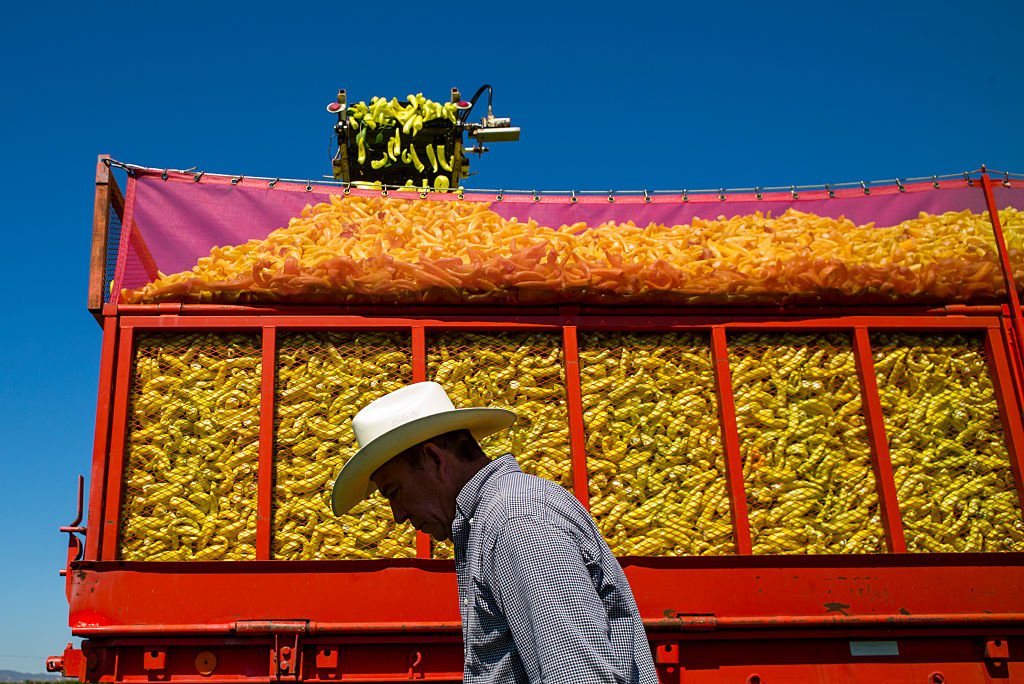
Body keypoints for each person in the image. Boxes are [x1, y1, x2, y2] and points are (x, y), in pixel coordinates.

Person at [330, 381, 659, 684]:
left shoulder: (516, 521)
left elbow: (577, 674)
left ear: (433, 459)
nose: (398, 515)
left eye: (394, 491)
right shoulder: (499, 517)